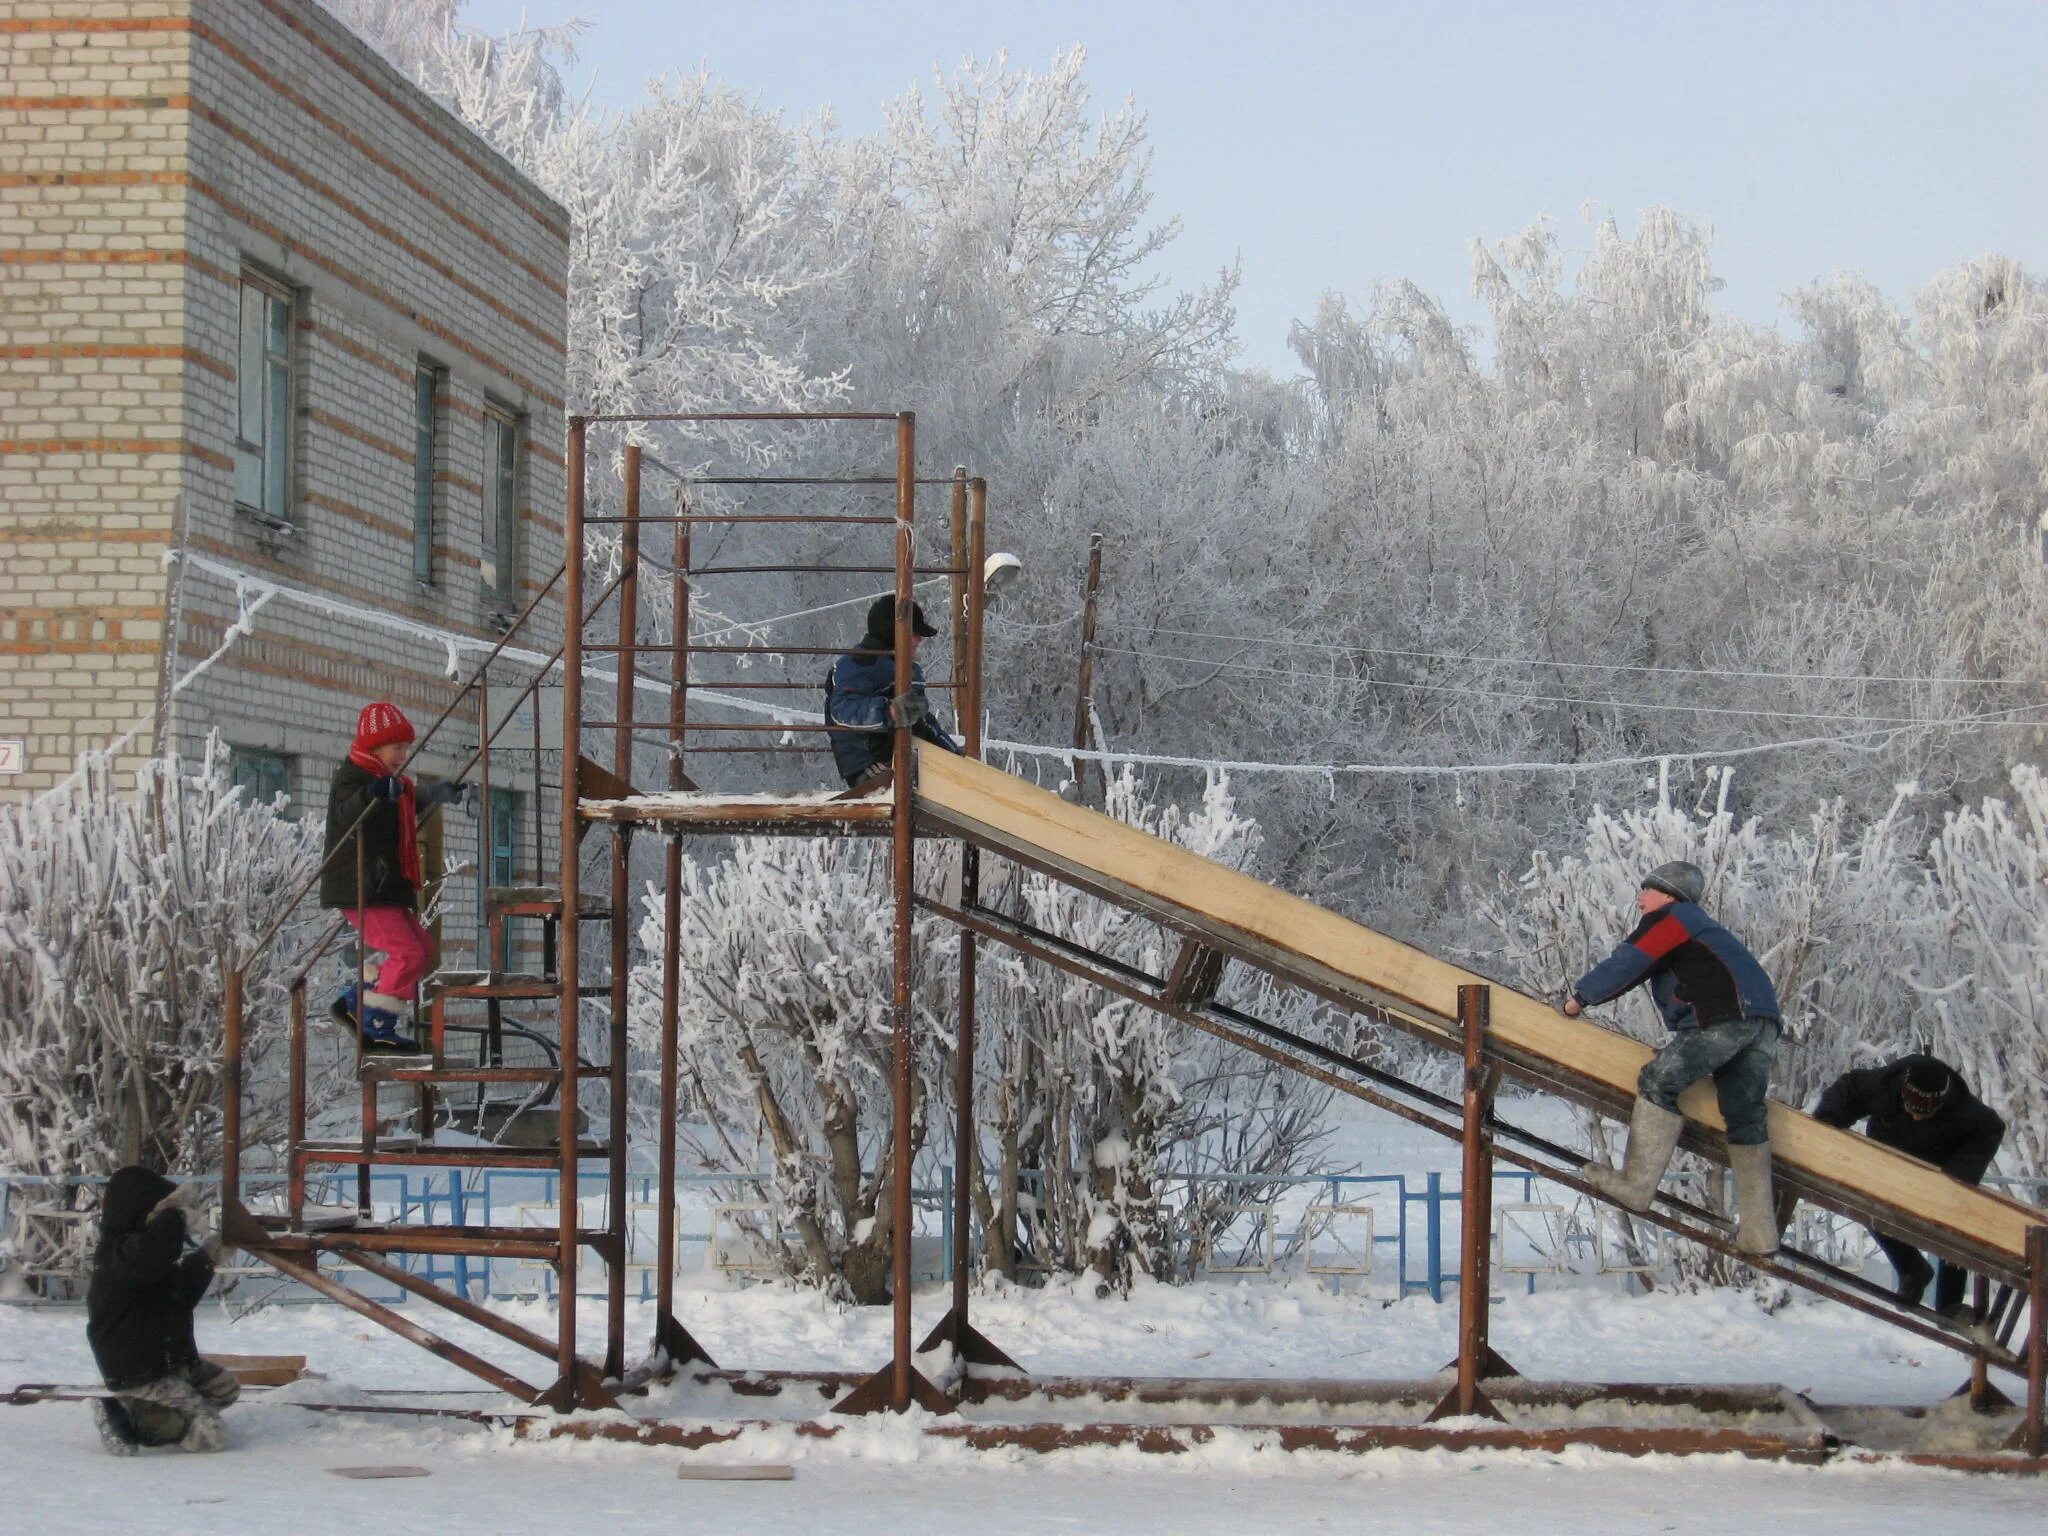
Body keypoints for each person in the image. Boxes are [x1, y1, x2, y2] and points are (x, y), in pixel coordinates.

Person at [1562, 860, 1784, 1256]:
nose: (1640, 899)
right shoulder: (1707, 931)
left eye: (1646, 891)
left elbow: (1631, 962)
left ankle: (1635, 1185)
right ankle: (1760, 1232)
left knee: (1657, 1081)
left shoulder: (1675, 917)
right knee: (1744, 1115)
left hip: (1723, 1018)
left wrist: (1580, 998)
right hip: (1763, 1021)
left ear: (1668, 894)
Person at [320, 701, 466, 1052]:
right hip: (362, 888)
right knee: (408, 954)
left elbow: (406, 800)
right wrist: (371, 795)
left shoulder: (389, 782)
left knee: (422, 949)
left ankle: (356, 1001)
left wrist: (437, 794)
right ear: (374, 745)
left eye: (405, 748)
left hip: (383, 888)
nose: (402, 756)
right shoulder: (354, 777)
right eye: (397, 748)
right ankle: (376, 1027)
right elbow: (347, 811)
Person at [1813, 1053, 2006, 1315]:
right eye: (1912, 1110)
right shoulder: (1884, 1084)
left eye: (1925, 1113)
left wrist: (1959, 1179)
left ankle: (1949, 1303)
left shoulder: (1965, 1111)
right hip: (1888, 1152)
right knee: (1872, 1204)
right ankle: (1912, 1270)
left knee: (1953, 1220)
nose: (1916, 1117)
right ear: (1903, 1094)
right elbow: (1848, 1089)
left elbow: (1992, 1129)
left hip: (1937, 1165)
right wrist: (1825, 1125)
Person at [85, 1167, 240, 1455]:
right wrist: (175, 1217)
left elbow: (178, 1293)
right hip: (140, 1372)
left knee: (223, 1389)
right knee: (211, 1436)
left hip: (167, 1362)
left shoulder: (141, 1252)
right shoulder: (122, 1252)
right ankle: (127, 1413)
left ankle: (165, 1411)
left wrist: (212, 1252)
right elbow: (155, 1256)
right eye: (161, 1209)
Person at [823, 596, 961, 793]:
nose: (919, 639)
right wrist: (890, 711)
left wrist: (952, 754)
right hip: (867, 763)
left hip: (901, 756)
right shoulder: (861, 662)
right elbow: (842, 709)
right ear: (893, 633)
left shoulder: (906, 670)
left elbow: (922, 722)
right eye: (914, 632)